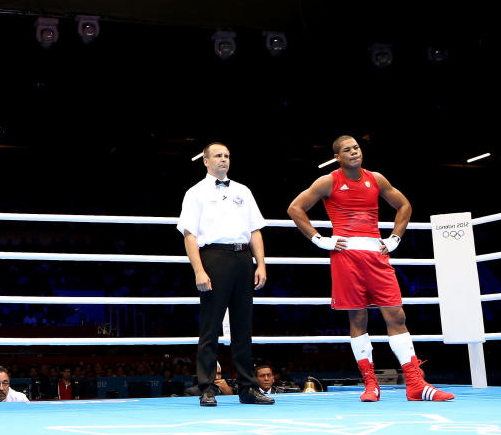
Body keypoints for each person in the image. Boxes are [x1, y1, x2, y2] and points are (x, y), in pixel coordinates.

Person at [287, 135, 454, 402]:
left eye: (356, 147)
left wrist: (395, 238)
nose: (353, 152)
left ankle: (415, 383)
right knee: (357, 319)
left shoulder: (376, 178)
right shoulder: (328, 181)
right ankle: (370, 384)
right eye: (346, 150)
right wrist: (320, 239)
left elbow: (404, 205)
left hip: (377, 255)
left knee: (397, 316)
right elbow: (295, 208)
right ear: (337, 157)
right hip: (346, 256)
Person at [177, 142, 274, 407]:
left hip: (243, 259)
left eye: (227, 156)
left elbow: (255, 230)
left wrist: (261, 264)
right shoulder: (195, 193)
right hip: (214, 258)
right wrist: (199, 269)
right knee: (210, 328)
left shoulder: (243, 190)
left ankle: (247, 388)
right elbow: (189, 235)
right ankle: (207, 388)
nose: (223, 159)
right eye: (218, 156)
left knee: (243, 328)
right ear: (206, 161)